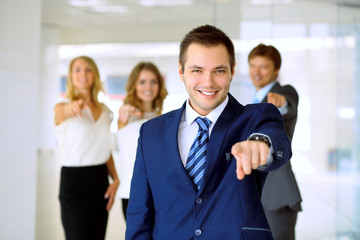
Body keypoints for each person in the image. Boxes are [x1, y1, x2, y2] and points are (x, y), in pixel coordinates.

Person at [125, 24, 292, 240]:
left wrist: (261, 144)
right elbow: (140, 211)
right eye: (197, 70)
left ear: (232, 71)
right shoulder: (151, 132)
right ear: (181, 72)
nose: (208, 82)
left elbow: (277, 139)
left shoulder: (255, 118)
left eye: (219, 71)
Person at [54, 56, 119, 240]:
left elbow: (105, 151)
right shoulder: (62, 108)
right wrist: (71, 107)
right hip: (74, 182)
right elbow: (63, 113)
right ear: (71, 77)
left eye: (88, 69)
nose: (83, 73)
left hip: (100, 180)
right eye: (77, 69)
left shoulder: (106, 112)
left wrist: (115, 179)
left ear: (95, 75)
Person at [248, 43, 302, 240]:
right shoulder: (251, 102)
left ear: (276, 70)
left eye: (263, 67)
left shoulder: (283, 92)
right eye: (253, 65)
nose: (256, 72)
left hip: (276, 194)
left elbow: (289, 104)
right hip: (253, 193)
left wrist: (281, 103)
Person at [115, 62, 167, 221]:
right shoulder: (126, 116)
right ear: (134, 85)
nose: (148, 87)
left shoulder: (165, 120)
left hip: (161, 194)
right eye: (142, 81)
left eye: (153, 81)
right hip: (132, 193)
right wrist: (126, 109)